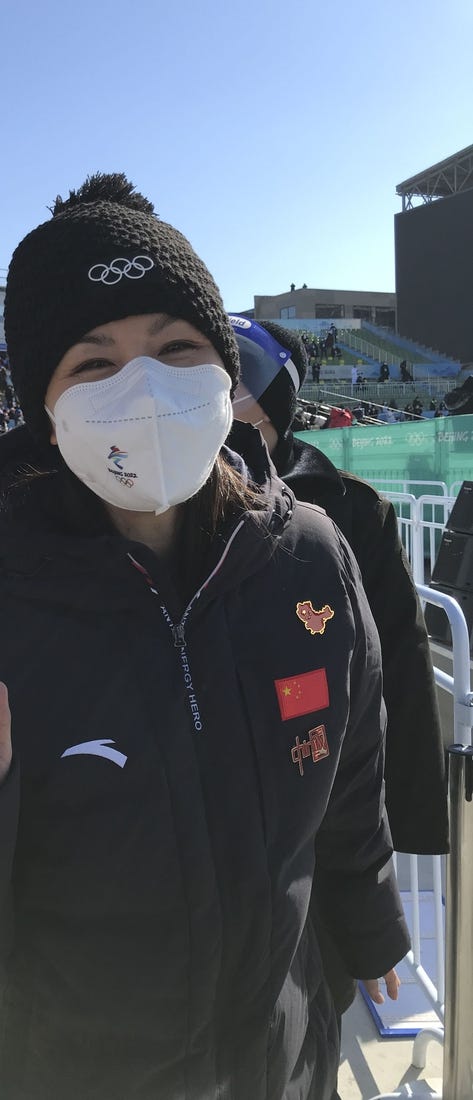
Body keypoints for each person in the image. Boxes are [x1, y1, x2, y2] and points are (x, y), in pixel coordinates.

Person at [0, 174, 408, 1100]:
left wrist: (373, 926)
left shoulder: (308, 559)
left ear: (225, 376)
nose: (143, 389)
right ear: (44, 406)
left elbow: (350, 775)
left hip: (286, 1055)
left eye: (177, 348)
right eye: (93, 364)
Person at [229, 316, 448, 1098]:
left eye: (240, 383)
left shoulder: (350, 511)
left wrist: (405, 836)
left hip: (319, 805)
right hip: (208, 823)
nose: (221, 401)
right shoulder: (146, 513)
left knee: (312, 1011)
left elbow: (396, 671)